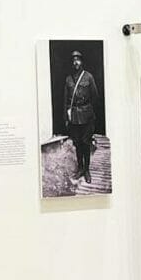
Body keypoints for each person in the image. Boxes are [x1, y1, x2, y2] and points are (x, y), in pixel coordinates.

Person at [64, 49, 99, 183]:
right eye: (73, 60)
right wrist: (66, 117)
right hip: (74, 117)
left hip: (87, 116)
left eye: (78, 59)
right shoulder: (68, 79)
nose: (75, 62)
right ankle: (80, 169)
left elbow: (95, 98)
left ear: (82, 61)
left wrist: (91, 115)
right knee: (78, 143)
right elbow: (66, 101)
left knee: (86, 143)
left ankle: (87, 170)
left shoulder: (88, 77)